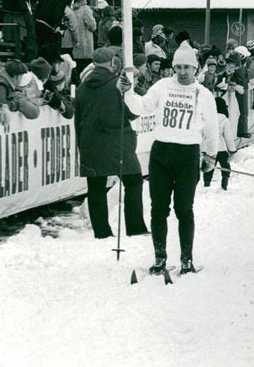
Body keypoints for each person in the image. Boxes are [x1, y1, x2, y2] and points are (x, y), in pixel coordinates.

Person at [118, 41, 218, 277]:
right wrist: (127, 91)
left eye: (187, 67)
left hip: (188, 154)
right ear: (173, 67)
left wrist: (211, 154)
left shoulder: (204, 94)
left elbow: (211, 128)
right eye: (178, 67)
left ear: (195, 69)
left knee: (184, 209)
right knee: (158, 209)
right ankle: (160, 257)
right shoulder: (162, 86)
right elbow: (142, 107)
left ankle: (186, 259)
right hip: (162, 153)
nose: (182, 72)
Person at [74, 47, 148, 239]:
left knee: (96, 187)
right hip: (118, 141)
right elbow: (132, 112)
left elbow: (78, 118)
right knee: (133, 181)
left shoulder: (82, 86)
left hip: (90, 142)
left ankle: (102, 232)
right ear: (112, 62)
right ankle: (135, 228)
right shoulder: (118, 84)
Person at [203, 97, 236, 190]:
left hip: (209, 148)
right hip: (221, 149)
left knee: (209, 167)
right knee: (225, 166)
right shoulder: (224, 120)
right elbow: (228, 137)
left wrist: (202, 149)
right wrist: (232, 150)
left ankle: (206, 185)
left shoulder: (206, 118)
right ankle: (224, 186)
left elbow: (202, 135)